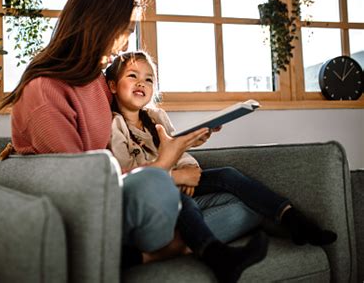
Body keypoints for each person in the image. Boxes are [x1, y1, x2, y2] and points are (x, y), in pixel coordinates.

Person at [0, 0, 224, 278]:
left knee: (236, 200)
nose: (127, 43)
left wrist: (187, 138)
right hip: (91, 211)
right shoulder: (44, 91)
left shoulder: (96, 81)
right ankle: (160, 249)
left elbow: (134, 118)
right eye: (127, 30)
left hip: (112, 197)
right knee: (157, 184)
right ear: (99, 23)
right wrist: (165, 165)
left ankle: (184, 244)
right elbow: (82, 190)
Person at [104, 50, 338, 273]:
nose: (141, 83)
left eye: (148, 79)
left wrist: (189, 164)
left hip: (180, 176)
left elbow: (178, 149)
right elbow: (132, 175)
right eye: (132, 76)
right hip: (157, 193)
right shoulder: (115, 125)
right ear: (113, 85)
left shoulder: (156, 117)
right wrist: (177, 177)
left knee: (228, 175)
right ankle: (210, 251)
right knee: (187, 202)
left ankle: (293, 219)